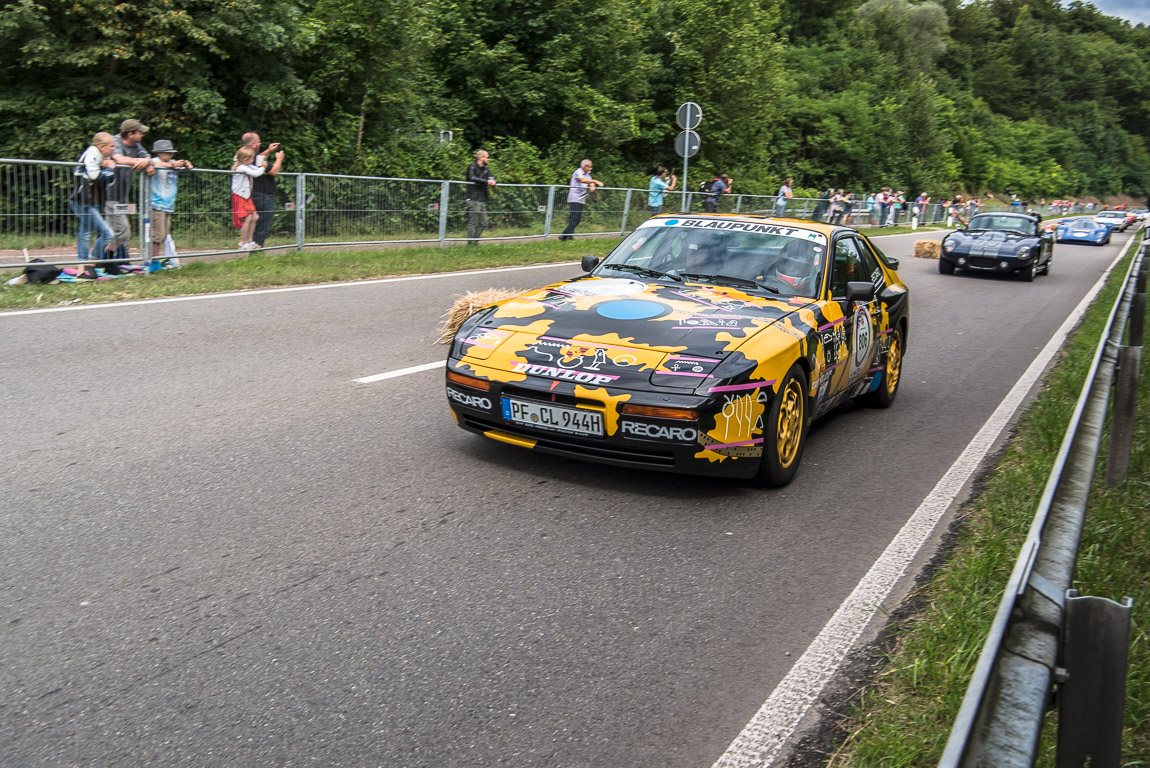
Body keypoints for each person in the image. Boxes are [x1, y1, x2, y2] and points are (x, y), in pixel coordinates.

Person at [69, 132, 117, 279]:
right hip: (82, 202)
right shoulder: (93, 153)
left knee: (85, 234)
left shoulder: (102, 156)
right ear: (102, 147)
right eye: (111, 146)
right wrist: (109, 169)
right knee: (108, 233)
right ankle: (91, 263)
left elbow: (110, 181)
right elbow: (94, 175)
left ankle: (81, 271)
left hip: (93, 201)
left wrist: (109, 169)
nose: (114, 149)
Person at [108, 119, 155, 263]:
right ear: (130, 134)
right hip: (108, 196)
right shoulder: (114, 141)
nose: (142, 135)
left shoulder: (136, 144)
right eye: (140, 132)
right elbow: (119, 159)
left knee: (119, 231)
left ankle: (120, 259)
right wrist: (139, 162)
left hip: (123, 198)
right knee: (119, 231)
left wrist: (146, 162)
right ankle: (104, 262)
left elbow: (148, 158)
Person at [149, 139, 192, 261]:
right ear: (159, 153)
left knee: (165, 234)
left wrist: (186, 165)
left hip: (169, 204)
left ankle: (166, 259)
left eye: (171, 153)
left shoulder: (173, 162)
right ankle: (154, 261)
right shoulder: (154, 161)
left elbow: (184, 169)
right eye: (167, 153)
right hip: (156, 203)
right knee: (158, 235)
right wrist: (172, 165)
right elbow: (152, 165)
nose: (170, 155)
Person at [241, 133, 283, 249]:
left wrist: (269, 150)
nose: (260, 143)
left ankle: (254, 249)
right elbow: (274, 171)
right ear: (253, 144)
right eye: (258, 141)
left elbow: (258, 158)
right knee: (262, 225)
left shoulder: (245, 156)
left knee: (255, 223)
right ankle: (256, 253)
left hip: (254, 194)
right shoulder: (251, 158)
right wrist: (279, 159)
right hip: (264, 195)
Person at [231, 146, 267, 250]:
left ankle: (250, 241)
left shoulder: (248, 166)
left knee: (254, 217)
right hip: (240, 196)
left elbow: (256, 169)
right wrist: (263, 167)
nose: (253, 160)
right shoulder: (241, 167)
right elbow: (256, 173)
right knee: (248, 218)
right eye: (251, 158)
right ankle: (243, 242)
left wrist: (262, 166)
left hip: (247, 195)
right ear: (244, 159)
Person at [559, 159, 603, 241]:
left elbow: (590, 181)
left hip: (582, 199)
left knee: (578, 220)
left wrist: (592, 186)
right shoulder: (578, 172)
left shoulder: (587, 174)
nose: (591, 168)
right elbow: (582, 180)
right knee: (573, 218)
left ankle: (565, 235)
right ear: (584, 166)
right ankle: (566, 236)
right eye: (589, 167)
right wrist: (595, 181)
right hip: (575, 198)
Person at [464, 149, 497, 244]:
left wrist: (493, 181)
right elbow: (472, 178)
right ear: (481, 158)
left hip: (482, 198)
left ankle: (474, 240)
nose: (488, 159)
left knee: (484, 223)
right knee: (473, 223)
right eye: (487, 157)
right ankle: (471, 243)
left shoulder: (485, 168)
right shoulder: (472, 166)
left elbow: (491, 177)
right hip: (473, 198)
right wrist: (486, 181)